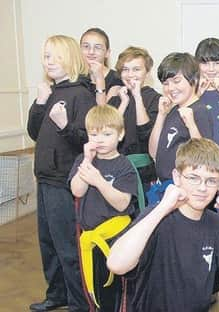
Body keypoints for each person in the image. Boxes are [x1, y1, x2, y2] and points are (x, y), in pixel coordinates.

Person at [107, 138, 219, 312]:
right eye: (193, 178)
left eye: (211, 181)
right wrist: (162, 208)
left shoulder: (217, 225)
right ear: (177, 177)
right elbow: (116, 264)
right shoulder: (157, 217)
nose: (202, 188)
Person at [27, 34, 94, 312]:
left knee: (67, 247)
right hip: (44, 179)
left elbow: (87, 140)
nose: (49, 61)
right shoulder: (50, 92)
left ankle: (79, 303)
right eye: (46, 56)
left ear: (71, 59)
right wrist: (40, 104)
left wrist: (65, 124)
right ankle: (57, 295)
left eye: (55, 56)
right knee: (48, 243)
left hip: (64, 182)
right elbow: (33, 131)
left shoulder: (81, 94)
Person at [69, 105, 137, 311]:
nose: (99, 140)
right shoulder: (83, 160)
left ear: (120, 134)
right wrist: (87, 162)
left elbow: (123, 203)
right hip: (91, 237)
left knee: (117, 291)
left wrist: (99, 181)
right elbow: (77, 191)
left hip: (116, 236)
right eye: (93, 134)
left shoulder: (124, 165)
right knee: (94, 289)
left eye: (107, 134)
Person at [147, 52, 216, 204]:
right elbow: (153, 152)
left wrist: (191, 125)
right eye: (166, 83)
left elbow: (206, 159)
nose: (171, 88)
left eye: (176, 81)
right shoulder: (172, 110)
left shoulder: (199, 111)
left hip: (184, 193)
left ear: (194, 80)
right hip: (165, 188)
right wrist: (161, 115)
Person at [108, 46, 161, 192]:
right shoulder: (115, 101)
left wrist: (137, 97)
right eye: (125, 69)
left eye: (136, 69)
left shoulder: (155, 99)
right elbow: (107, 133)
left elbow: (146, 134)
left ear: (147, 72)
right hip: (115, 171)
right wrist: (124, 103)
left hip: (143, 173)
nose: (130, 74)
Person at [195, 37, 219, 150]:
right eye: (205, 63)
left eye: (217, 63)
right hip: (197, 159)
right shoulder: (190, 92)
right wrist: (195, 97)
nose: (211, 69)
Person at [80, 27, 123, 105]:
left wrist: (99, 78)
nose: (91, 52)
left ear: (107, 53)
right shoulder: (74, 77)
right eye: (86, 46)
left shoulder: (117, 79)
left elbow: (103, 115)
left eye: (97, 47)